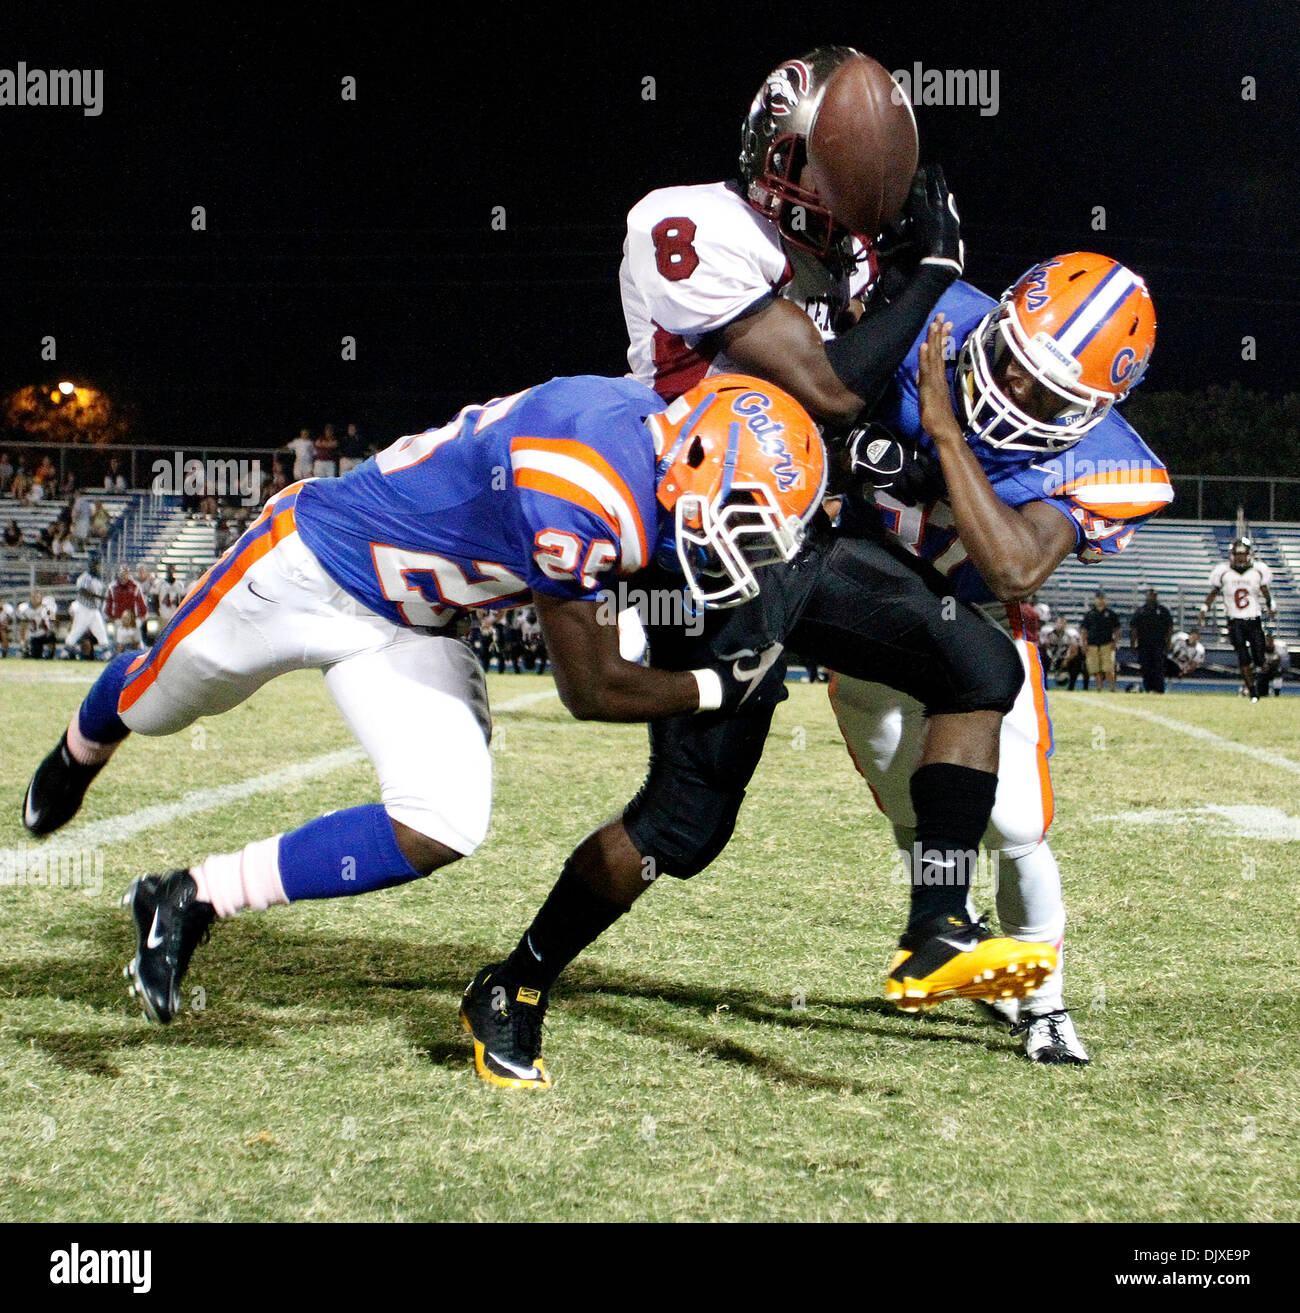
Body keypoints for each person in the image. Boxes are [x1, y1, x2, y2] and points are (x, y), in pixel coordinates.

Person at [461, 49, 1055, 1090]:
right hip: (709, 554)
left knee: (980, 669)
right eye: (829, 190)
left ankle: (935, 921)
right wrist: (933, 274)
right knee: (681, 830)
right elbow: (827, 386)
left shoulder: (847, 260)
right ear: (773, 154)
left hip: (807, 544)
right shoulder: (691, 225)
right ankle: (514, 979)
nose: (843, 222)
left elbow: (842, 415)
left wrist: (895, 451)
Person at [22, 372, 829, 1028]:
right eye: (741, 518)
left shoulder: (642, 451)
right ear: (691, 462)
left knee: (444, 817)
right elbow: (591, 689)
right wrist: (715, 687)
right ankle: (78, 749)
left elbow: (609, 617)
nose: (745, 546)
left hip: (412, 626)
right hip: (310, 569)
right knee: (157, 700)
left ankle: (192, 896)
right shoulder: (583, 483)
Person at [830, 253, 1165, 1063]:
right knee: (913, 807)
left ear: (1093, 413)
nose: (1015, 393)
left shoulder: (1107, 465)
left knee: (1014, 824)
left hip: (977, 624)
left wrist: (944, 436)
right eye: (1013, 362)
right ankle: (944, 936)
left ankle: (1042, 999)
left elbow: (1015, 566)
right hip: (867, 619)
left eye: (1049, 395)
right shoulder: (928, 318)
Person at [1202, 538, 1275, 700]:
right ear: (1232, 555)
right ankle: (1252, 692)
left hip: (1253, 619)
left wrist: (1271, 605)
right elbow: (1213, 592)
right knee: (1243, 658)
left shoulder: (1258, 571)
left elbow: (1265, 591)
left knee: (1260, 659)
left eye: (1243, 554)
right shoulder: (1223, 572)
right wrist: (1204, 609)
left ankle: (1265, 682)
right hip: (1234, 621)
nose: (1240, 558)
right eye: (1238, 554)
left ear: (1249, 555)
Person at [1130, 588, 1173, 693]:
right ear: (1146, 596)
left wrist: (1168, 643)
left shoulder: (1163, 611)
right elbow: (1134, 628)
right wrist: (1132, 644)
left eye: (1154, 595)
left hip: (1159, 645)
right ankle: (1148, 689)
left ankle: (1159, 690)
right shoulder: (1140, 611)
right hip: (1144, 645)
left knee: (1159, 668)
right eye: (1150, 595)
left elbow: (1169, 628)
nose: (1152, 597)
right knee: (1146, 668)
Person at [64, 558, 110, 656]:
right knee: (77, 631)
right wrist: (98, 597)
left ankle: (107, 654)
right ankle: (64, 653)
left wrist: (102, 598)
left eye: (98, 565)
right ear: (91, 566)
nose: (98, 568)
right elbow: (82, 591)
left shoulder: (98, 579)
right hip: (83, 608)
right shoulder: (84, 577)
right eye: (96, 565)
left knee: (101, 631)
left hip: (94, 610)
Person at [1080, 591, 1121, 691]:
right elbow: (1084, 630)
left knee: (1108, 668)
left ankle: (1112, 688)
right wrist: (1084, 644)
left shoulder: (1111, 614)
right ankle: (1099, 688)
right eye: (1098, 598)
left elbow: (1117, 629)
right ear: (1095, 600)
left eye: (1102, 598)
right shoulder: (1090, 614)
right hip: (1092, 644)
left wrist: (1115, 642)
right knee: (1096, 669)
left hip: (1107, 644)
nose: (1100, 601)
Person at [17, 588, 58, 659]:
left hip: (46, 633)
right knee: (36, 656)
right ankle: (28, 652)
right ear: (30, 598)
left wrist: (52, 630)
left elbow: (54, 620)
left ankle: (51, 654)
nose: (35, 599)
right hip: (34, 635)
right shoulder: (24, 608)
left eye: (37, 597)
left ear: (42, 598)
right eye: (33, 597)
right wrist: (23, 640)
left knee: (52, 636)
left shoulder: (48, 607)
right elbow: (23, 626)